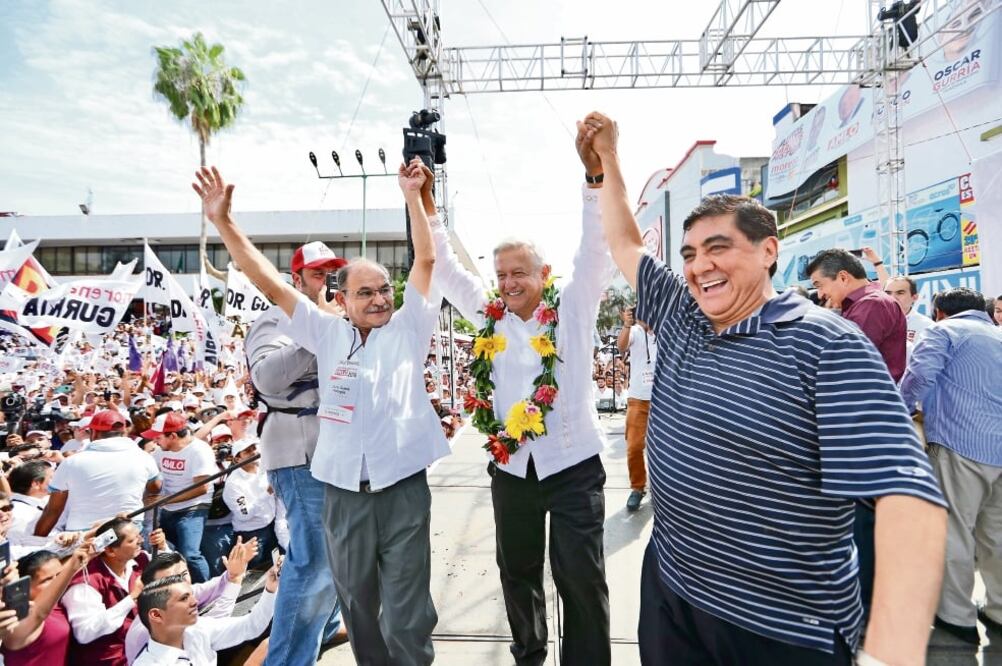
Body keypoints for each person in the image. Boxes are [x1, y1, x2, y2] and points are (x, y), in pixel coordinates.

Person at [584, 110, 948, 665]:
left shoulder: (826, 346)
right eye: (689, 255)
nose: (699, 265)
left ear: (768, 251)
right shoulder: (683, 314)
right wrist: (606, 159)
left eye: (718, 247)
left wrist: (889, 653)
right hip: (672, 593)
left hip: (779, 629)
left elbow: (907, 500)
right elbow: (625, 244)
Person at [193, 161, 447, 665]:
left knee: (406, 612)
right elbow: (268, 282)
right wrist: (223, 222)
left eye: (383, 290)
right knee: (356, 604)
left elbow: (427, 258)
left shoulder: (408, 327)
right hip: (344, 495)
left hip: (401, 489)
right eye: (365, 292)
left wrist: (413, 196)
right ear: (341, 300)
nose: (379, 299)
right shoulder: (324, 332)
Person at [425, 124, 614, 665]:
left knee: (580, 578)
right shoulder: (488, 317)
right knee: (518, 573)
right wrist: (426, 203)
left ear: (543, 274)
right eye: (501, 273)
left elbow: (596, 246)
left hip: (574, 466)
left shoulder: (574, 306)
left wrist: (594, 176)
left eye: (519, 273)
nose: (507, 282)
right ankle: (529, 656)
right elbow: (443, 265)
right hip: (512, 470)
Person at [243, 238, 348, 664]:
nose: (325, 280)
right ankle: (287, 659)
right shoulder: (274, 319)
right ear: (296, 278)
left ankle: (319, 633)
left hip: (338, 451)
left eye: (330, 273)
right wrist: (319, 337)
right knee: (314, 559)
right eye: (317, 272)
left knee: (341, 552)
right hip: (298, 451)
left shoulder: (339, 319)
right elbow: (266, 379)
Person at [900, 287, 1002, 645]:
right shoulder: (997, 334)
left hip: (961, 444)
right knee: (997, 533)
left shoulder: (944, 332)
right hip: (998, 446)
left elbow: (919, 376)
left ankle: (956, 616)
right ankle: (999, 608)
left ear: (939, 311)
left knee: (954, 529)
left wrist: (895, 412)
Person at [124, 538, 258, 663]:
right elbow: (215, 623)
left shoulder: (181, 591)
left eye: (183, 575)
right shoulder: (148, 630)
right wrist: (235, 579)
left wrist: (236, 567)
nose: (180, 582)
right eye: (171, 580)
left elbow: (214, 585)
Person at [35, 410, 162, 536]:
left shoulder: (71, 462)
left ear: (94, 433)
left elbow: (53, 510)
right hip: (128, 532)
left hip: (82, 533)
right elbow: (155, 487)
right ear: (124, 432)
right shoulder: (144, 457)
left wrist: (36, 543)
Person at [133, 561, 279, 666]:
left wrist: (271, 588)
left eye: (191, 595)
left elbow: (250, 626)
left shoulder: (199, 629)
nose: (195, 601)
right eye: (184, 598)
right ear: (157, 615)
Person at [806, 248, 907, 382]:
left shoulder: (871, 305)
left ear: (843, 277)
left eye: (819, 286)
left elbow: (843, 363)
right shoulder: (859, 304)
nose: (820, 294)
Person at [142, 412, 217, 584]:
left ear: (173, 436)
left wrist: (165, 500)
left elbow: (201, 488)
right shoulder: (160, 451)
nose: (155, 441)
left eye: (158, 437)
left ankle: (208, 591)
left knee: (190, 554)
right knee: (169, 551)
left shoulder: (199, 451)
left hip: (194, 507)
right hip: (168, 507)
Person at [63, 518, 150, 665]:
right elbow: (85, 632)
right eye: (132, 540)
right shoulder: (85, 583)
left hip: (141, 653)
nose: (141, 540)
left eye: (139, 535)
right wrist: (132, 598)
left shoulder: (140, 560)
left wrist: (162, 547)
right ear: (110, 550)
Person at [0, 540, 95, 666]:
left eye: (59, 575)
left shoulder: (58, 603)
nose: (57, 582)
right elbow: (39, 613)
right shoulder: (17, 619)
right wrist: (72, 566)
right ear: (26, 586)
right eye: (47, 579)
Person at [616, 307, 657, 512]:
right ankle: (637, 488)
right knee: (633, 447)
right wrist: (626, 324)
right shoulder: (634, 332)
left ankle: (661, 490)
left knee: (662, 450)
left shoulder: (664, 329)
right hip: (637, 399)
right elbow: (621, 346)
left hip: (663, 400)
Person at [222, 438, 277, 569]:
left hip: (272, 528)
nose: (253, 452)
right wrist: (267, 493)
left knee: (273, 571)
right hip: (251, 536)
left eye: (253, 448)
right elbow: (244, 515)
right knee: (253, 578)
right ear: (237, 459)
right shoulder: (233, 483)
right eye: (247, 451)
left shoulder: (263, 469)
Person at [7, 460, 52, 539]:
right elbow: (16, 547)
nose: (57, 481)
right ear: (36, 484)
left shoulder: (39, 504)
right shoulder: (20, 515)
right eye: (52, 477)